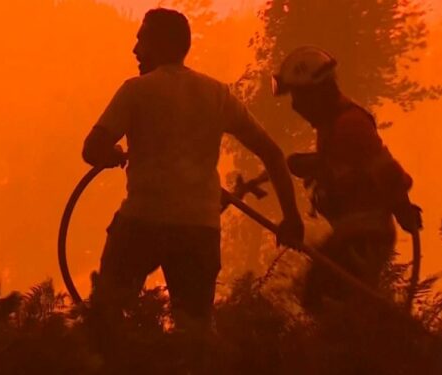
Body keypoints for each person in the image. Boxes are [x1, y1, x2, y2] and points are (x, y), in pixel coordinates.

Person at [81, 7, 303, 359]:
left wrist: (111, 154)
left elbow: (91, 148)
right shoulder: (216, 95)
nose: (135, 50)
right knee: (195, 337)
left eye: (141, 39)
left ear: (160, 44)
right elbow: (273, 154)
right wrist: (292, 219)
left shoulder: (136, 91)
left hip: (142, 222)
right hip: (199, 230)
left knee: (104, 320)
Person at [271, 46, 422, 310]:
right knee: (329, 300)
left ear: (316, 93)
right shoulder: (332, 125)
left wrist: (403, 208)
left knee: (326, 301)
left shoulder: (350, 124)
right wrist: (314, 164)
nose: (295, 106)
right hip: (352, 233)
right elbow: (349, 166)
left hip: (365, 236)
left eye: (298, 96)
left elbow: (384, 170)